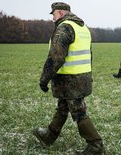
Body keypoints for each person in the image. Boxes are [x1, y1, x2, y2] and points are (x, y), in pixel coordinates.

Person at [32, 2, 104, 154]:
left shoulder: (64, 27)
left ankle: (95, 146)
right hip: (82, 77)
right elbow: (89, 55)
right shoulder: (82, 27)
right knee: (63, 106)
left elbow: (56, 57)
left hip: (70, 79)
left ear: (60, 13)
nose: (52, 18)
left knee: (79, 112)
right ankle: (49, 136)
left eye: (53, 14)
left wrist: (44, 79)